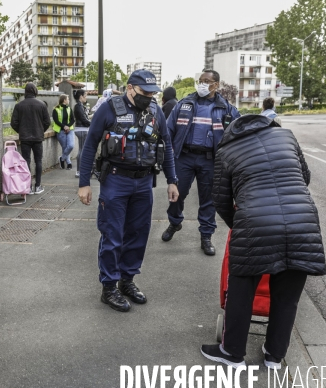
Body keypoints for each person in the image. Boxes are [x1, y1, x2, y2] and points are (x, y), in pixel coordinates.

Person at [201, 114, 326, 368]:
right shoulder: (286, 136)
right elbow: (305, 176)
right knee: (287, 296)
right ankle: (274, 356)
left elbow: (220, 198)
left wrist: (239, 224)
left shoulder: (227, 150)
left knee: (241, 291)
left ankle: (232, 352)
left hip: (256, 223)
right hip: (303, 221)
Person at [78, 69, 179, 312]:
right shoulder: (109, 108)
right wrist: (84, 183)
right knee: (113, 235)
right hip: (116, 180)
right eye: (145, 92)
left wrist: (173, 180)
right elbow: (90, 144)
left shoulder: (155, 111)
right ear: (130, 88)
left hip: (144, 183)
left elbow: (166, 145)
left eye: (153, 93)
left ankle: (127, 281)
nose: (150, 97)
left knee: (138, 234)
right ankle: (109, 287)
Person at [161, 69, 240, 256]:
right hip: (184, 158)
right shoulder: (184, 104)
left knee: (208, 200)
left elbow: (238, 134)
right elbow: (168, 131)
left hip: (210, 160)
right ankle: (175, 222)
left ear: (216, 85)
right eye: (201, 80)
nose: (202, 84)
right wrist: (167, 155)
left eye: (207, 81)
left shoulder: (226, 109)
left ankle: (206, 236)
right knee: (176, 194)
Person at [11, 82, 51, 194]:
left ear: (25, 92)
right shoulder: (42, 105)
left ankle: (27, 187)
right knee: (38, 161)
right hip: (38, 137)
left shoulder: (19, 105)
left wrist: (21, 131)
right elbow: (47, 122)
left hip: (25, 138)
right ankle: (38, 186)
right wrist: (40, 130)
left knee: (26, 161)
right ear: (35, 91)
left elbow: (13, 123)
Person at [53, 94, 76, 170]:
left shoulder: (69, 108)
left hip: (70, 130)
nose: (69, 100)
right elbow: (56, 120)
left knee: (71, 146)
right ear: (64, 100)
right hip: (60, 130)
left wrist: (68, 126)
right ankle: (69, 163)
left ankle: (62, 159)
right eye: (68, 99)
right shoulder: (56, 109)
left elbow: (73, 119)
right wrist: (64, 127)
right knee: (65, 147)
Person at [73, 89, 91, 178]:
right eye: (85, 96)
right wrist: (92, 124)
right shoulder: (78, 106)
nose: (86, 98)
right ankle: (79, 171)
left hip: (81, 129)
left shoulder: (79, 106)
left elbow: (84, 118)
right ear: (81, 97)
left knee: (82, 149)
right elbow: (83, 119)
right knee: (81, 150)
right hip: (81, 129)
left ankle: (80, 170)